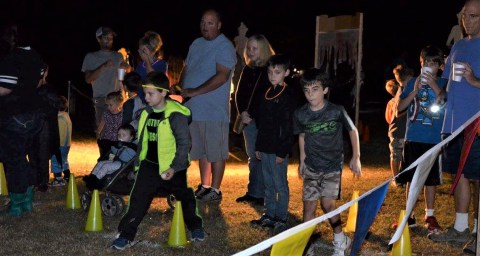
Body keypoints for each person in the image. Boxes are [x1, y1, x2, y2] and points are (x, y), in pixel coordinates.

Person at [112, 71, 204, 250]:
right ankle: (126, 234)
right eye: (145, 93)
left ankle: (195, 226)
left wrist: (175, 167)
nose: (146, 97)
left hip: (172, 167)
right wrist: (139, 161)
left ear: (163, 93)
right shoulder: (146, 113)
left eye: (150, 93)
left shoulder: (175, 115)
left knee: (183, 197)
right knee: (138, 199)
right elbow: (142, 140)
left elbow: (184, 143)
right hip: (149, 165)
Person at [428, 1, 480, 254]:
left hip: (476, 125)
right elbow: (448, 85)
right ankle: (461, 227)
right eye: (463, 16)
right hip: (452, 123)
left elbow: (471, 82)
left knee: (477, 177)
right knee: (459, 174)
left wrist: (474, 80)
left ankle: (478, 231)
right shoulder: (458, 46)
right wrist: (438, 92)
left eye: (472, 16)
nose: (466, 21)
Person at [293, 67, 361, 256]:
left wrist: (356, 157)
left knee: (328, 204)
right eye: (306, 90)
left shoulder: (336, 111)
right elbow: (302, 137)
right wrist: (302, 160)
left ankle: (340, 239)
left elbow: (353, 131)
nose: (310, 94)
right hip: (312, 166)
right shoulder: (300, 114)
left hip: (332, 166)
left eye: (315, 89)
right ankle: (307, 245)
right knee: (308, 208)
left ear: (324, 89)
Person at [179, 9, 237, 202]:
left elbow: (222, 76)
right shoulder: (196, 43)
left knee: (216, 151)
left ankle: (216, 189)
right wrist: (181, 87)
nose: (205, 26)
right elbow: (187, 68)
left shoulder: (225, 46)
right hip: (194, 109)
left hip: (214, 111)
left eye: (210, 23)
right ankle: (204, 186)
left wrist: (195, 91)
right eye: (203, 22)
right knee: (201, 150)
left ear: (219, 25)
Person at [394, 45, 446, 233]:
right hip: (413, 137)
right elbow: (399, 108)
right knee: (411, 178)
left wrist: (432, 84)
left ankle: (429, 215)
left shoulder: (443, 82)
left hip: (433, 139)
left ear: (440, 66)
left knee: (430, 180)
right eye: (426, 63)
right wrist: (415, 90)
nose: (429, 67)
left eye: (433, 63)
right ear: (421, 63)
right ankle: (409, 215)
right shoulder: (411, 82)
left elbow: (444, 101)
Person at [250, 54, 296, 234]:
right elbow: (262, 124)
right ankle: (269, 214)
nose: (272, 75)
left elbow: (287, 126)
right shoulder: (267, 92)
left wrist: (282, 151)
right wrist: (258, 147)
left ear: (286, 73)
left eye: (277, 72)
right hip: (265, 147)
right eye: (270, 72)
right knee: (267, 183)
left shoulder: (287, 95)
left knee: (279, 184)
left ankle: (281, 217)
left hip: (278, 150)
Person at [0, 46, 47, 217]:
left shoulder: (11, 57)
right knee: (20, 157)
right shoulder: (35, 55)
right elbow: (41, 81)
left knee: (13, 160)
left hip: (15, 114)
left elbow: (5, 88)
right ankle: (26, 200)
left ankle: (17, 205)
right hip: (35, 112)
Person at [234, 34, 275, 205]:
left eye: (254, 48)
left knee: (264, 157)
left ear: (263, 49)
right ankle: (253, 192)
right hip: (249, 120)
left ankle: (265, 193)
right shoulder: (247, 69)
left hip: (265, 121)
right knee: (252, 156)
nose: (250, 51)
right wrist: (242, 112)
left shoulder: (271, 70)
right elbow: (240, 94)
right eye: (248, 48)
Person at [82, 26, 128, 137]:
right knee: (102, 133)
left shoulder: (118, 56)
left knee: (120, 133)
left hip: (118, 99)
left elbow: (123, 76)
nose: (109, 40)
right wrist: (103, 66)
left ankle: (115, 154)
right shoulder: (91, 57)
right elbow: (88, 79)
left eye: (111, 38)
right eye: (105, 38)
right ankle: (104, 154)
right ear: (98, 39)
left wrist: (127, 68)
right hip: (102, 100)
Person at [30, 64, 61, 191]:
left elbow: (53, 108)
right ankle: (34, 181)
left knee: (43, 155)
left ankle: (42, 183)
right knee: (32, 154)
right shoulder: (30, 88)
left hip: (45, 127)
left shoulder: (49, 89)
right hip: (32, 126)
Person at [83, 123, 136, 190]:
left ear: (131, 137)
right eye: (119, 135)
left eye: (124, 135)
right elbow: (113, 152)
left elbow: (126, 157)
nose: (120, 137)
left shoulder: (132, 148)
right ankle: (92, 177)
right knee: (101, 163)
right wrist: (112, 146)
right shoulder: (118, 144)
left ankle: (97, 181)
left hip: (122, 164)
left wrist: (124, 146)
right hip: (115, 161)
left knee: (106, 166)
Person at [135, 31, 168, 102]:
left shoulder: (161, 64)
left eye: (143, 50)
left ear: (153, 50)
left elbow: (155, 79)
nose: (140, 52)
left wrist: (147, 61)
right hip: (141, 102)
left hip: (155, 102)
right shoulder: (140, 65)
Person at [384, 79, 405, 185]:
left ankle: (396, 178)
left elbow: (387, 118)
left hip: (395, 131)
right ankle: (398, 178)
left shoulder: (391, 103)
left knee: (396, 156)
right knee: (400, 156)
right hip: (402, 132)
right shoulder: (406, 101)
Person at [49, 95, 72, 186]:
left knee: (56, 161)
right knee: (63, 160)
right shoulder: (66, 115)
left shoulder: (60, 119)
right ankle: (67, 176)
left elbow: (60, 134)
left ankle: (58, 179)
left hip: (60, 145)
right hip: (66, 144)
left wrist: (55, 145)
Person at [97, 90, 124, 160]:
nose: (108, 107)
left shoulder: (122, 115)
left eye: (111, 105)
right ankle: (103, 162)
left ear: (119, 104)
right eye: (107, 105)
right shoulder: (106, 113)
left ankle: (110, 165)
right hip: (106, 139)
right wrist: (98, 134)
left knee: (112, 156)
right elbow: (102, 124)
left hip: (116, 140)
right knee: (104, 155)